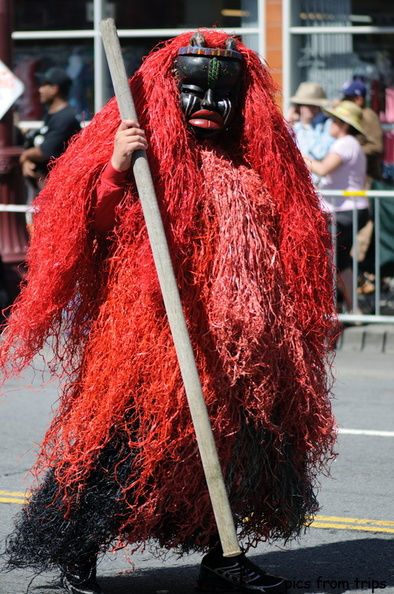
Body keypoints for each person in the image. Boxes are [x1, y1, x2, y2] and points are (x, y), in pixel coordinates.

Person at [0, 31, 337, 594]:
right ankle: (78, 552)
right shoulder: (143, 157)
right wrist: (114, 168)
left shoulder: (259, 161)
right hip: (153, 342)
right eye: (193, 90)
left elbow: (295, 244)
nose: (208, 103)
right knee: (126, 446)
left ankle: (223, 555)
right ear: (166, 92)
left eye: (222, 91)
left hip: (245, 351)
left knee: (237, 454)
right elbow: (84, 228)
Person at [303, 100, 368, 312]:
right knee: (341, 260)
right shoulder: (349, 143)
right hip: (348, 209)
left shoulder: (345, 143)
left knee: (335, 260)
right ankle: (351, 308)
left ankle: (349, 308)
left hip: (345, 210)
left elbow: (322, 169)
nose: (330, 123)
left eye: (335, 120)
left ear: (344, 125)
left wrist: (298, 155)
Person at [19, 67, 81, 198]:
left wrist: (25, 156)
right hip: (44, 189)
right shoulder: (51, 115)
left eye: (43, 85)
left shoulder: (66, 117)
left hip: (60, 193)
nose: (39, 90)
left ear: (54, 89)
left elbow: (44, 152)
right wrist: (28, 162)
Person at [287, 82, 334, 184]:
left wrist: (307, 125)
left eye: (305, 106)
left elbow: (320, 152)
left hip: (319, 185)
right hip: (300, 182)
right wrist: (288, 121)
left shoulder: (329, 125)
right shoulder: (298, 127)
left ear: (316, 107)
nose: (301, 109)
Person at [340, 79, 384, 183]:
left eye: (347, 98)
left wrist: (352, 152)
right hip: (353, 177)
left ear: (358, 99)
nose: (342, 101)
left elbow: (376, 147)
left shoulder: (368, 116)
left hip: (366, 178)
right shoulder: (353, 116)